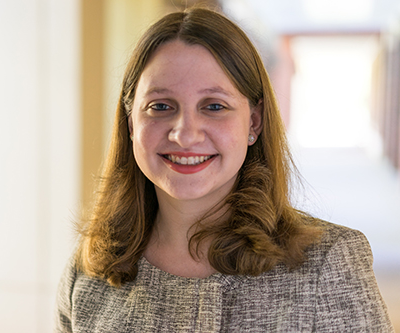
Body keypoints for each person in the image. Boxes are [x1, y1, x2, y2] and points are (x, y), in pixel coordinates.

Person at [55, 7, 393, 332]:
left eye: (214, 106)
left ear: (254, 121)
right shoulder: (91, 268)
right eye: (160, 106)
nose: (185, 134)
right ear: (131, 124)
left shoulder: (327, 265)